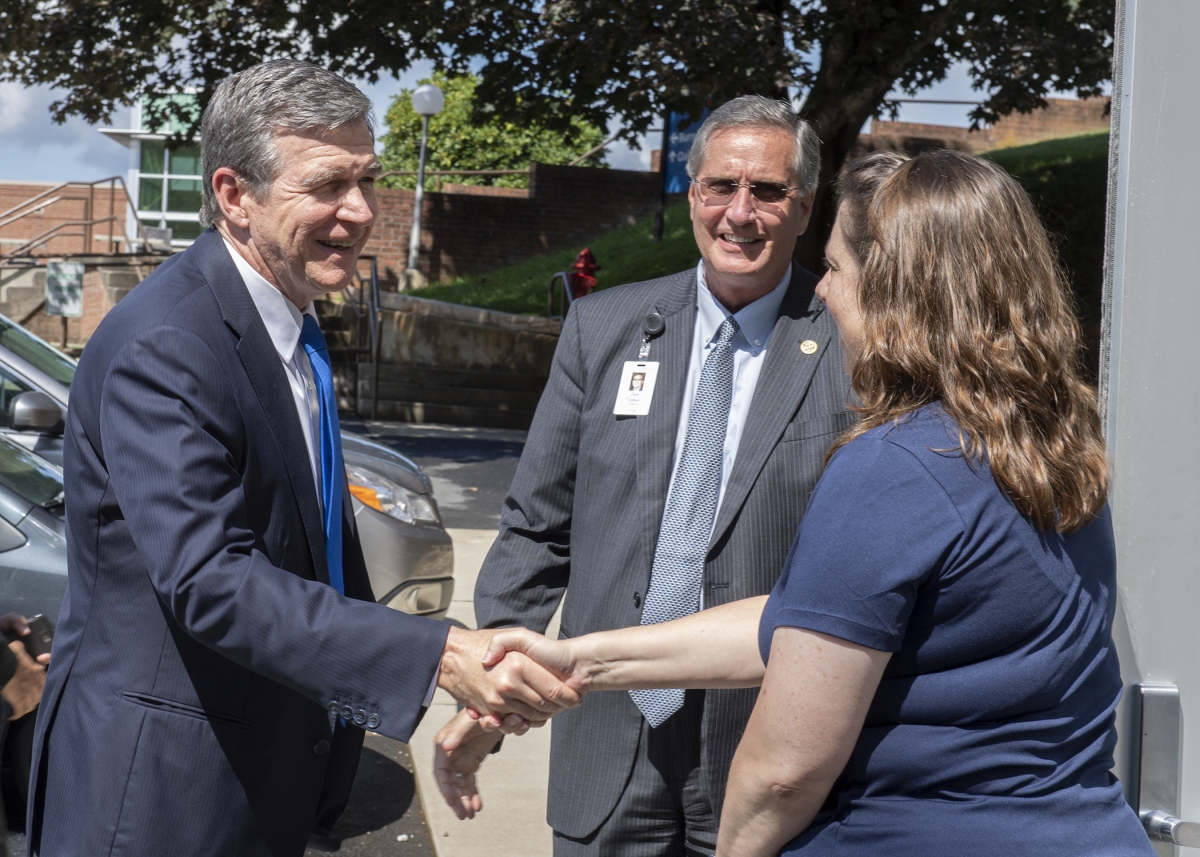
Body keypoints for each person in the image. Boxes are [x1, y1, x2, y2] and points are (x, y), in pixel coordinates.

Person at [447, 150, 1155, 857]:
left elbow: (784, 772)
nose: (823, 293)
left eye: (839, 269)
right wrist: (579, 659)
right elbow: (813, 615)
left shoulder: (896, 463)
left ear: (894, 291)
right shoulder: (1051, 444)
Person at [27, 60, 576, 857]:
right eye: (326, 186)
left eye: (367, 180)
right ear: (232, 194)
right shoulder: (168, 343)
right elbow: (211, 580)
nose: (361, 212)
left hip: (264, 782)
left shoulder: (292, 320)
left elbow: (314, 551)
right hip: (160, 802)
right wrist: (437, 653)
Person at [453, 95, 854, 855]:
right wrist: (491, 698)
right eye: (720, 188)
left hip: (769, 746)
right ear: (691, 193)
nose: (741, 213)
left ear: (804, 210)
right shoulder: (601, 328)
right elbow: (537, 529)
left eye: (768, 192)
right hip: (604, 734)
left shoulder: (848, 341)